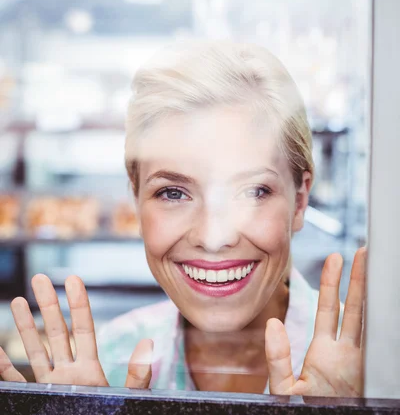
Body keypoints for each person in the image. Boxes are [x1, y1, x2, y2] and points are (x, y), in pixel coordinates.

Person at [0, 41, 365, 396]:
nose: (213, 236)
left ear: (299, 201)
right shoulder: (110, 358)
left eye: (253, 191)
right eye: (173, 193)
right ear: (136, 199)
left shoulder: (371, 361)